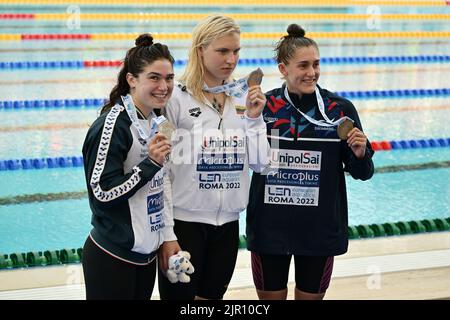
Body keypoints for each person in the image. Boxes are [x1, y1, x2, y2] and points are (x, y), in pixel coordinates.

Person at [246, 24, 375, 300]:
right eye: (303, 65)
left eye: (316, 64)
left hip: (319, 230)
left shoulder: (339, 109)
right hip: (270, 228)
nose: (312, 72)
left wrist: (360, 153)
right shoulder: (264, 107)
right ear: (283, 69)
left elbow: (363, 172)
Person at [158, 14, 269, 300]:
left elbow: (262, 164)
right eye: (222, 51)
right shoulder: (176, 99)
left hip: (228, 226)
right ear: (200, 51)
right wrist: (167, 233)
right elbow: (161, 174)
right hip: (184, 225)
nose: (231, 59)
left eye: (236, 51)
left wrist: (255, 121)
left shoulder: (244, 98)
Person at [81, 33, 174, 300]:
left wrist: (167, 235)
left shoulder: (156, 120)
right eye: (154, 78)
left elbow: (162, 183)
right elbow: (101, 193)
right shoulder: (112, 125)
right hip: (112, 257)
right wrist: (149, 165)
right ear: (132, 80)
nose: (164, 86)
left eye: (168, 78)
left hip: (144, 259)